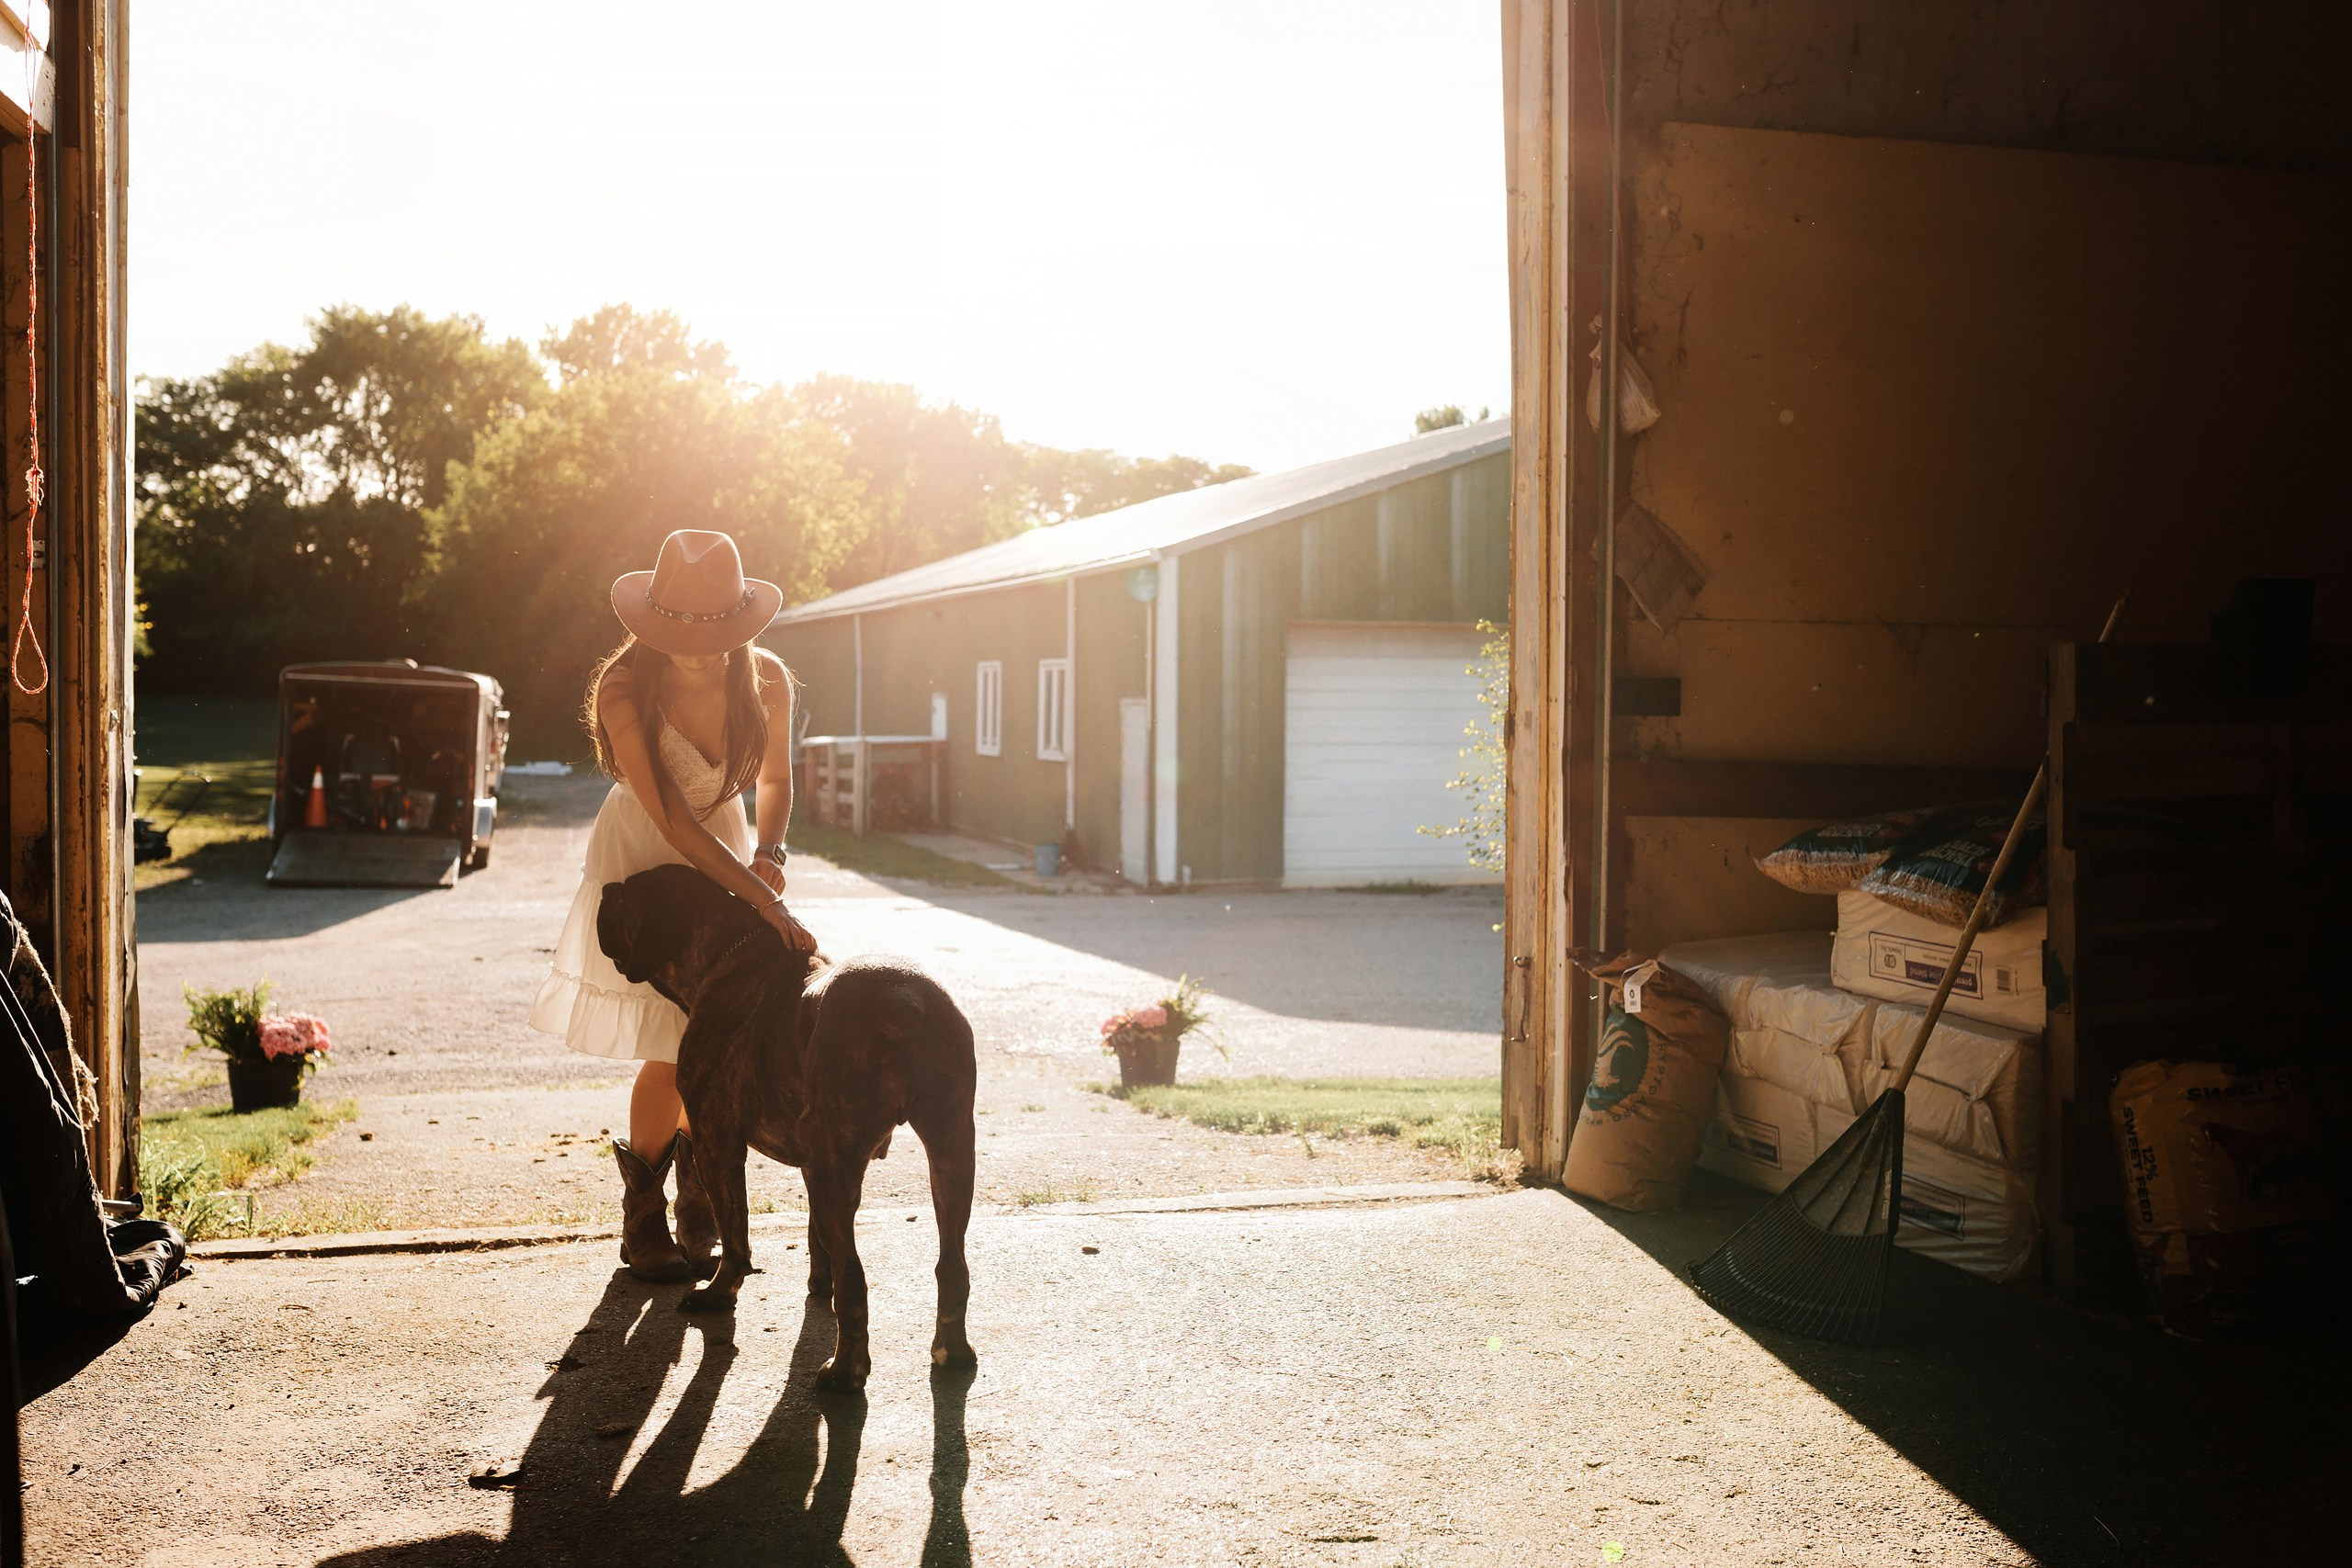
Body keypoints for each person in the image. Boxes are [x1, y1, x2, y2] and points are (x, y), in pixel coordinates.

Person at [529, 529, 819, 1281]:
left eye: (715, 634)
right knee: (673, 1042)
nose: (698, 650)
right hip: (648, 859)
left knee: (715, 1036)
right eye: (679, 635)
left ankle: (703, 1199)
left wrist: (771, 853)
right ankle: (644, 1218)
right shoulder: (625, 687)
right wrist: (763, 904)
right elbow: (673, 821)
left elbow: (776, 783)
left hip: (724, 850)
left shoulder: (769, 682)